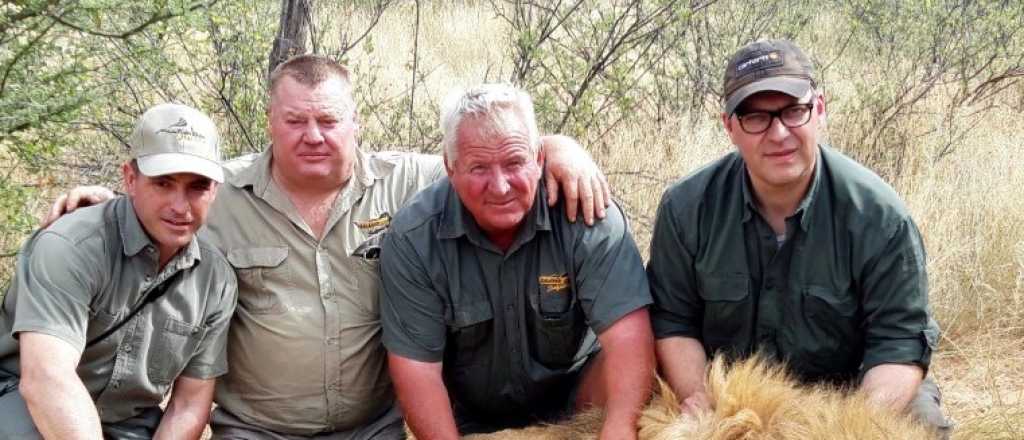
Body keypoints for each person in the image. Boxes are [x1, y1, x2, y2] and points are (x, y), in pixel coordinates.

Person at [44, 55, 612, 440]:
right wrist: (96, 201)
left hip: (376, 427)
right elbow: (160, 199)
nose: (313, 135)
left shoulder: (413, 183)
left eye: (328, 119)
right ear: (270, 120)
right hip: (254, 430)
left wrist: (559, 148)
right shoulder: (218, 193)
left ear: (355, 123)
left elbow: (487, 163)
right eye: (295, 120)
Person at [646, 39, 952, 437]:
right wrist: (702, 402)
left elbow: (898, 343)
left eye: (794, 112)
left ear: (819, 110)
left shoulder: (880, 217)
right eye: (756, 117)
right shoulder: (685, 208)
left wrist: (845, 426)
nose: (778, 134)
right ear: (730, 127)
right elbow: (673, 322)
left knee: (919, 425)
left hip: (849, 394)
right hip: (730, 398)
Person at [380, 84, 654, 440]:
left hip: (580, 401)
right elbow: (418, 372)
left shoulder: (586, 214)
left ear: (539, 158)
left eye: (514, 163)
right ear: (450, 167)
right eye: (479, 168)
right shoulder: (414, 237)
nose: (500, 186)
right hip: (472, 419)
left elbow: (629, 337)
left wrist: (617, 431)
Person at [0, 103, 237, 439]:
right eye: (163, 183)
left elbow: (188, 405)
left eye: (197, 186)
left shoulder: (216, 281)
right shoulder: (73, 246)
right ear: (130, 178)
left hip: (128, 422)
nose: (180, 206)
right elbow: (46, 379)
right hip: (23, 400)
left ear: (214, 191)